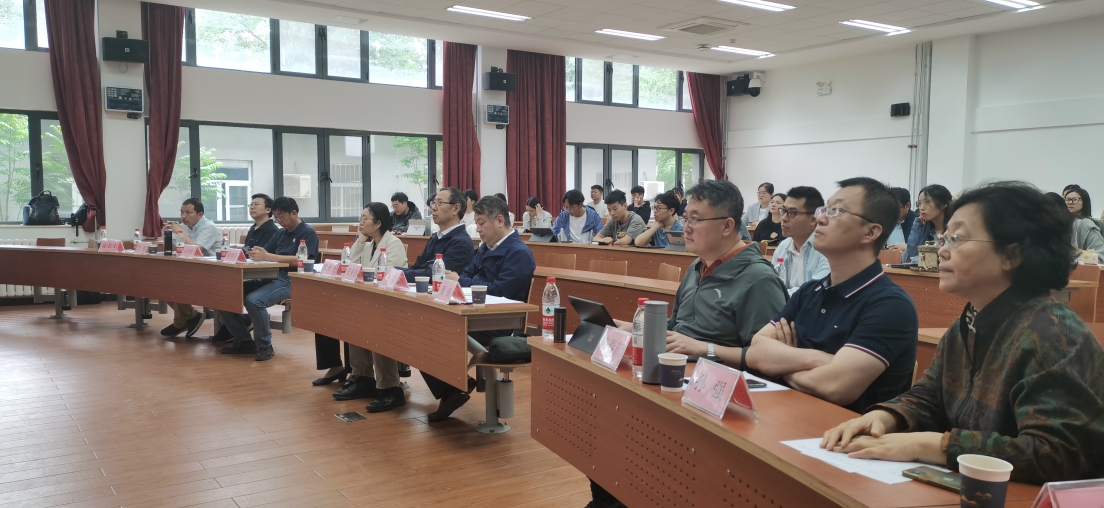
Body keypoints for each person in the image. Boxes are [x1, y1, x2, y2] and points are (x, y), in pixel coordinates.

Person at [821, 181, 1104, 485]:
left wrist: (935, 445)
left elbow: (1057, 454)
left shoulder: (1055, 336)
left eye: (957, 239)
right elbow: (932, 396)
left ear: (1012, 255)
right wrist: (884, 417)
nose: (942, 250)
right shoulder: (967, 323)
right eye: (944, 238)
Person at [588, 179, 787, 508]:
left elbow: (766, 361)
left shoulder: (758, 280)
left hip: (715, 398)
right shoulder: (697, 266)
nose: (686, 227)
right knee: (608, 433)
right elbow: (677, 326)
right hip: (675, 379)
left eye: (696, 219)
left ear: (727, 226)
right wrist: (634, 328)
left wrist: (702, 348)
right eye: (686, 217)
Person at [741, 177, 918, 413]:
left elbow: (834, 387)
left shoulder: (890, 305)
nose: (821, 219)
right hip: (789, 414)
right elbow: (755, 352)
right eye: (824, 210)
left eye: (835, 211)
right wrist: (818, 359)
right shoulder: (809, 292)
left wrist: (781, 366)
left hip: (843, 430)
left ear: (870, 232)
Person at [423, 196, 536, 422]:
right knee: (426, 324)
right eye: (476, 222)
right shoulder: (486, 247)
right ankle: (452, 388)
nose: (478, 229)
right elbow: (467, 273)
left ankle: (453, 388)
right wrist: (468, 281)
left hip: (501, 322)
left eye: (481, 222)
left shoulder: (518, 253)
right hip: (476, 312)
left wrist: (464, 281)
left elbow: (498, 290)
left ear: (500, 220)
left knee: (433, 329)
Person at [316, 203, 411, 412]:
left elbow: (390, 274)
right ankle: (363, 378)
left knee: (376, 327)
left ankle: (390, 388)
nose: (360, 222)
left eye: (365, 218)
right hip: (370, 300)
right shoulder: (368, 244)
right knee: (353, 321)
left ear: (378, 223)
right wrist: (360, 240)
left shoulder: (393, 243)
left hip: (390, 303)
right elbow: (350, 266)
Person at [220, 197, 318, 362]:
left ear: (294, 213)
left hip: (292, 280)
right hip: (270, 275)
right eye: (276, 218)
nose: (279, 221)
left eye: (282, 217)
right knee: (225, 294)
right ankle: (243, 340)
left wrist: (267, 256)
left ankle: (264, 345)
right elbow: (265, 253)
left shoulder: (308, 232)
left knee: (254, 300)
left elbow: (300, 260)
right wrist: (255, 253)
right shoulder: (280, 232)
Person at [210, 194, 279, 343]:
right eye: (251, 204)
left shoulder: (272, 231)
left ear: (268, 210)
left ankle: (239, 327)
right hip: (247, 270)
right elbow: (247, 251)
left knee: (228, 289)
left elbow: (260, 256)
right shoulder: (253, 228)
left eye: (256, 204)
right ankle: (239, 330)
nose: (252, 207)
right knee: (220, 290)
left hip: (261, 274)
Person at [161, 198, 222, 338]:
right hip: (194, 269)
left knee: (179, 283)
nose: (183, 216)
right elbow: (173, 250)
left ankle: (184, 320)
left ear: (200, 214)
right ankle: (190, 316)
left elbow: (197, 250)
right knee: (164, 283)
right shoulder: (184, 226)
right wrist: (167, 234)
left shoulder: (209, 227)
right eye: (182, 212)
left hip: (214, 271)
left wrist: (180, 232)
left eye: (188, 212)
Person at [401, 187, 476, 284]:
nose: (433, 208)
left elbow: (435, 275)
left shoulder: (461, 242)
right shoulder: (435, 237)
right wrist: (393, 270)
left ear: (456, 208)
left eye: (439, 203)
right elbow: (417, 268)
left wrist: (398, 273)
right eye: (433, 203)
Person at [773, 186, 829, 295]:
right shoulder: (782, 247)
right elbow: (772, 286)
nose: (783, 218)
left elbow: (816, 292)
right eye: (783, 211)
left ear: (813, 219)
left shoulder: (826, 249)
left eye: (792, 212)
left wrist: (779, 296)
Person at [1048, 192, 1104, 263]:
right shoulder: (1042, 227)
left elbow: (1100, 255)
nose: (1070, 202)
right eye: (1067, 199)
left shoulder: (1085, 225)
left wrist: (1076, 256)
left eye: (1075, 199)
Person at [905, 184, 952, 263]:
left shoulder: (954, 230)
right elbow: (908, 259)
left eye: (927, 202)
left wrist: (917, 260)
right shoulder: (924, 228)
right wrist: (917, 226)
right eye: (919, 203)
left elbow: (946, 259)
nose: (921, 208)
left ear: (943, 204)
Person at [885, 187, 916, 252]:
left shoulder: (919, 222)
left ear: (907, 206)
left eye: (895, 207)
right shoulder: (883, 222)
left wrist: (909, 247)